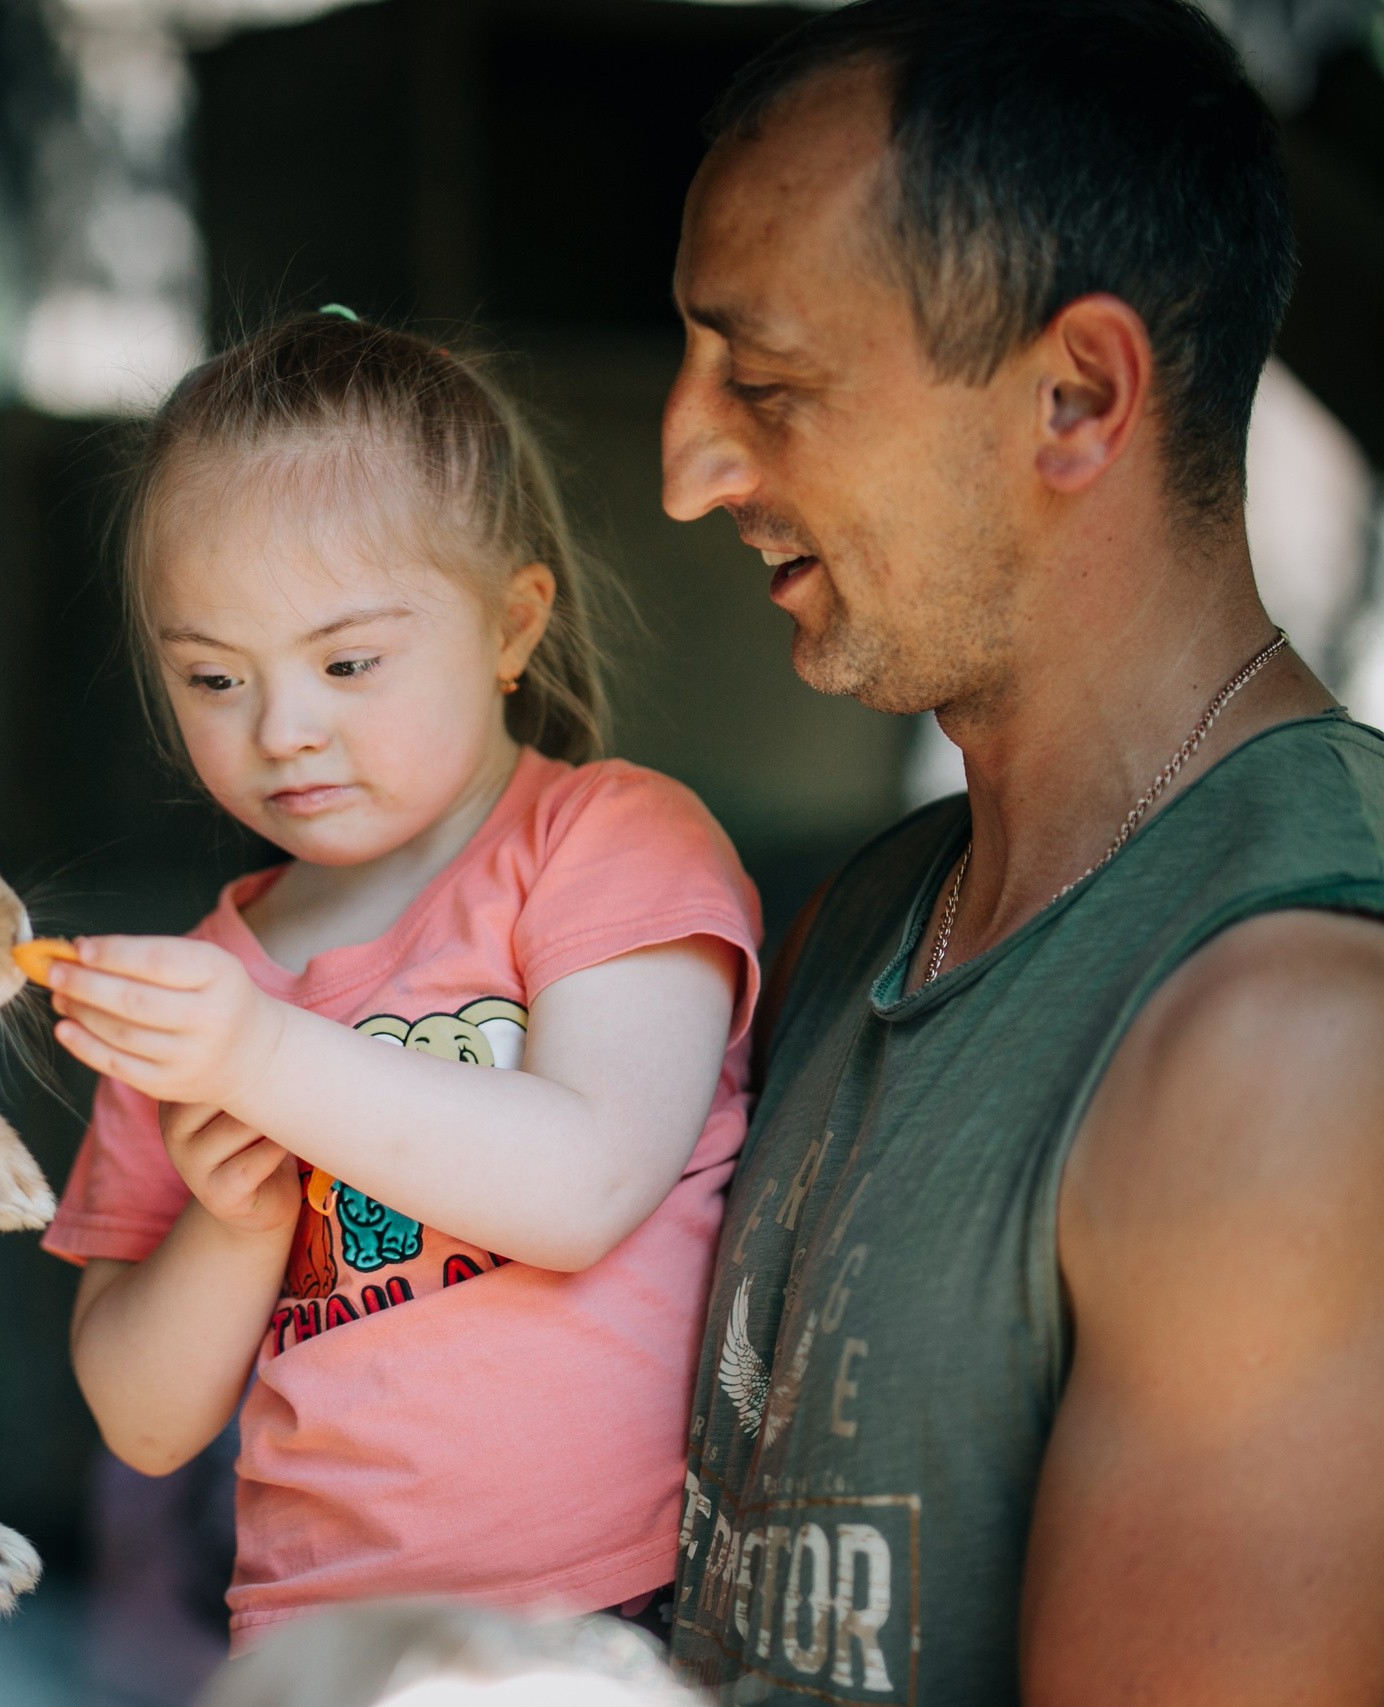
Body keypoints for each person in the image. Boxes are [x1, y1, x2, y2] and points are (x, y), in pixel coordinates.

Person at [657, 1, 1384, 1701]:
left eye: (767, 383)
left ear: (1076, 397)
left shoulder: (1293, 1049)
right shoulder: (864, 918)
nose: (688, 470)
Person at [41, 313, 762, 1642]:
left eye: (348, 663)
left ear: (511, 625)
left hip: (620, 1612)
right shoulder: (201, 993)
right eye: (213, 676)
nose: (284, 728)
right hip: (321, 1643)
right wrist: (236, 1225)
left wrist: (261, 1058)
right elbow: (143, 1424)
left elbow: (584, 1186)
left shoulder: (606, 843)